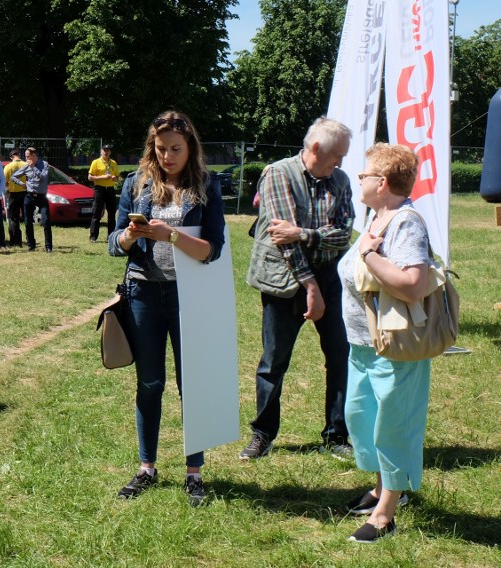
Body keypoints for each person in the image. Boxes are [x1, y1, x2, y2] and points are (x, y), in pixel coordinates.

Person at [109, 110, 226, 506]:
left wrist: (170, 234)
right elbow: (114, 244)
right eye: (160, 149)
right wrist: (126, 236)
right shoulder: (136, 184)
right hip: (142, 292)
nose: (167, 156)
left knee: (191, 384)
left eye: (175, 148)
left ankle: (194, 472)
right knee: (150, 383)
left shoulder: (206, 186)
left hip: (188, 296)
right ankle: (147, 467)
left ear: (190, 146)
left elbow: (212, 249)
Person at [241, 117, 354, 460]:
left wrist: (304, 233)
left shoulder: (341, 180)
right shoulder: (277, 173)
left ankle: (337, 435)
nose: (341, 162)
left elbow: (344, 233)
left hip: (329, 278)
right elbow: (282, 240)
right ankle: (263, 434)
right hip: (284, 281)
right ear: (317, 149)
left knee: (340, 357)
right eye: (338, 155)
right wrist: (310, 286)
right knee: (273, 362)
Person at [337, 143, 429, 543]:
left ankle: (385, 513)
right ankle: (382, 487)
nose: (359, 179)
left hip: (395, 347)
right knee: (362, 420)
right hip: (362, 344)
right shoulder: (378, 216)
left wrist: (370, 256)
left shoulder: (406, 222)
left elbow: (413, 284)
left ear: (384, 181)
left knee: (393, 426)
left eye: (365, 174)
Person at [10, 147, 52, 252]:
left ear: (34, 155)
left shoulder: (44, 164)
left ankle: (48, 247)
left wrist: (34, 167)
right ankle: (31, 245)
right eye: (26, 156)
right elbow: (13, 176)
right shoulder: (26, 166)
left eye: (28, 156)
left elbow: (43, 177)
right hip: (29, 196)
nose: (26, 158)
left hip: (41, 197)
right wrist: (21, 184)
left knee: (46, 221)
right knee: (28, 221)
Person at [88, 144, 120, 243]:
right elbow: (90, 177)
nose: (106, 152)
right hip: (99, 189)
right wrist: (103, 177)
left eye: (108, 151)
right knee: (96, 213)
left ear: (110, 152)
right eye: (104, 150)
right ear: (101, 151)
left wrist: (115, 178)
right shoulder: (96, 162)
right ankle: (93, 236)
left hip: (110, 189)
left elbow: (118, 178)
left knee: (111, 213)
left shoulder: (113, 163)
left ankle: (111, 236)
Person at [3, 148, 26, 247]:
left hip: (13, 194)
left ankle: (16, 241)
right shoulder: (26, 165)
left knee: (13, 218)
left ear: (11, 157)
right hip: (25, 193)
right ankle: (30, 240)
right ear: (19, 155)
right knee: (27, 218)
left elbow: (5, 182)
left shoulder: (8, 167)